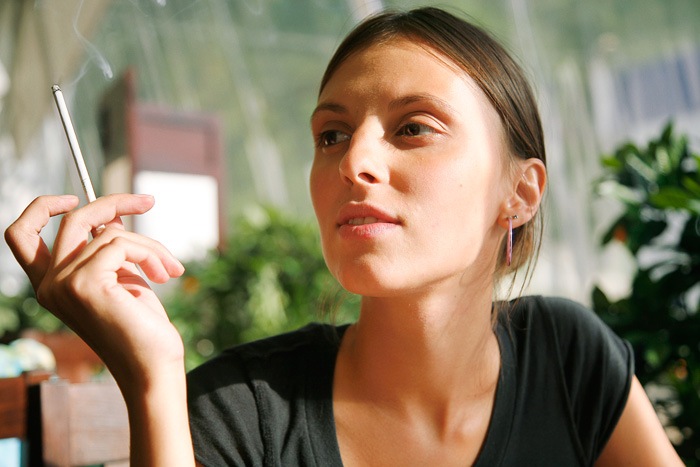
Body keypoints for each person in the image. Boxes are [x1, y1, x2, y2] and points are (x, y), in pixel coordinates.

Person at [4, 6, 682, 467]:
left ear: (521, 193)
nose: (353, 161)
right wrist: (151, 378)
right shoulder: (237, 412)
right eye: (331, 134)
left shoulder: (567, 358)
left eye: (413, 127)